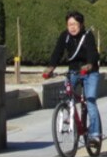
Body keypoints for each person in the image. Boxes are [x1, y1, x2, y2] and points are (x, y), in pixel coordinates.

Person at [42, 11, 102, 146]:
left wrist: (89, 65)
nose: (72, 27)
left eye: (75, 24)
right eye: (69, 24)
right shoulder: (65, 36)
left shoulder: (88, 36)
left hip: (90, 72)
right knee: (67, 94)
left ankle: (94, 135)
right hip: (74, 71)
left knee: (90, 101)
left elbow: (93, 53)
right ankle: (70, 116)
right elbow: (57, 52)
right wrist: (51, 68)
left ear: (81, 24)